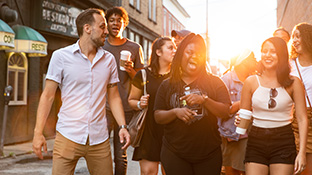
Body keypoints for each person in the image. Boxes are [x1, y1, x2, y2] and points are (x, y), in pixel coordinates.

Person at [32, 8, 130, 175]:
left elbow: (114, 97)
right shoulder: (60, 57)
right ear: (87, 28)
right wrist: (38, 133)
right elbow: (47, 96)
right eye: (102, 26)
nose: (106, 31)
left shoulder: (109, 60)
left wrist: (122, 126)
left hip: (99, 139)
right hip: (68, 135)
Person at [154, 33, 231, 175]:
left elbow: (226, 111)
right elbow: (158, 116)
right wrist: (175, 112)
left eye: (199, 53)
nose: (194, 56)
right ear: (181, 55)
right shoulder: (167, 84)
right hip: (174, 152)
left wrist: (205, 100)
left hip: (209, 154)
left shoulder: (215, 82)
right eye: (189, 52)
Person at [237, 37, 308, 175]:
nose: (267, 55)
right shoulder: (251, 82)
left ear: (281, 55)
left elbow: (302, 118)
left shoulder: (294, 82)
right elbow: (244, 114)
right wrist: (239, 120)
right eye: (264, 51)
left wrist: (302, 153)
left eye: (273, 52)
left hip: (283, 140)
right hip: (256, 140)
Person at [103, 6, 144, 175]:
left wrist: (131, 71)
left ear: (124, 24)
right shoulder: (101, 45)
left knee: (120, 155)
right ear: (106, 23)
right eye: (111, 20)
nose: (115, 23)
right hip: (103, 107)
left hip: (125, 108)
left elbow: (142, 79)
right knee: (101, 153)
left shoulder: (134, 48)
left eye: (119, 21)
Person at [128, 37, 176, 175]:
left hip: (172, 132)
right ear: (158, 52)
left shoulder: (178, 76)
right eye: (170, 47)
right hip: (149, 132)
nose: (174, 51)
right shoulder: (143, 75)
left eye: (175, 48)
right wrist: (139, 103)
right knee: (148, 172)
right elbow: (131, 100)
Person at [219, 49, 257, 175]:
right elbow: (223, 110)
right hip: (233, 134)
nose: (255, 60)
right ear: (243, 61)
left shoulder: (256, 79)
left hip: (253, 133)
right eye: (252, 58)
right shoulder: (226, 80)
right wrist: (245, 102)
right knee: (233, 171)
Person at [289, 22, 312, 175]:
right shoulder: (288, 65)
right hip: (295, 121)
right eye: (293, 37)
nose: (294, 40)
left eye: (298, 36)